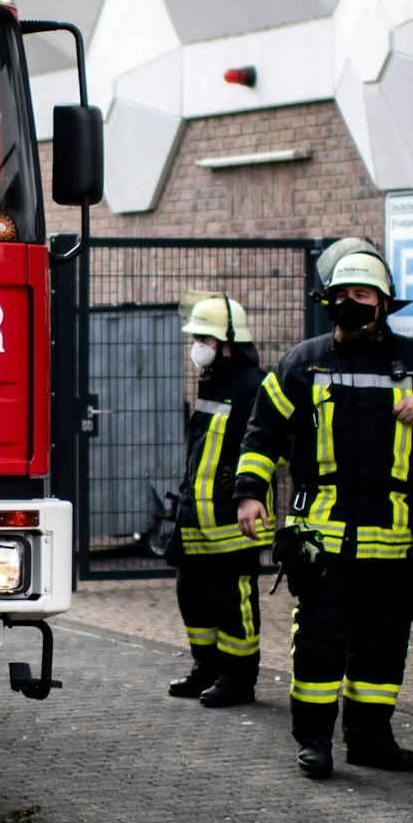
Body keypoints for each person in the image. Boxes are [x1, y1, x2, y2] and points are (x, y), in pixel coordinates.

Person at [234, 247, 413, 779]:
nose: (351, 303)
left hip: (393, 540)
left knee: (383, 647)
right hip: (322, 540)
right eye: (342, 295)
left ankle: (370, 740)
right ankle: (314, 742)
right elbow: (262, 432)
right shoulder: (302, 363)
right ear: (328, 302)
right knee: (319, 645)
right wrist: (249, 492)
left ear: (383, 304)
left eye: (362, 295)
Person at [166, 294, 270, 707]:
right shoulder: (212, 384)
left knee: (232, 602)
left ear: (229, 342)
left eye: (205, 339)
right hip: (197, 518)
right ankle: (206, 668)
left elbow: (275, 447)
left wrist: (241, 485)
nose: (198, 347)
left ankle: (238, 679)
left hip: (232, 519)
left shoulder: (255, 387)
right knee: (192, 595)